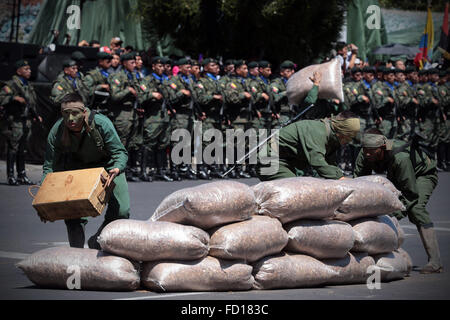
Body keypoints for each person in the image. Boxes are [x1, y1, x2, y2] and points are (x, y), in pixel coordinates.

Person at [42, 93, 130, 249]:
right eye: (66, 114)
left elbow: (120, 153)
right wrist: (43, 200)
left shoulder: (102, 123)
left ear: (84, 112)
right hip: (78, 169)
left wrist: (116, 168)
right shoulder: (57, 131)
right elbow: (49, 167)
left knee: (121, 212)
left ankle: (97, 241)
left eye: (75, 113)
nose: (70, 119)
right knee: (72, 216)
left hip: (108, 167)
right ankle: (77, 255)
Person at [354, 128, 443, 274]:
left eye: (372, 151)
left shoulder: (400, 157)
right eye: (365, 150)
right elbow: (359, 183)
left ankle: (435, 262)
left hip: (422, 174)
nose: (368, 154)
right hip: (397, 174)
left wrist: (394, 216)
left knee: (416, 209)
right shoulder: (365, 154)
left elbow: (410, 193)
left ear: (382, 148)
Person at [258, 110, 360, 181]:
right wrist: (340, 178)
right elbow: (317, 161)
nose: (348, 141)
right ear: (340, 132)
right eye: (347, 137)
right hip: (270, 159)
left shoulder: (331, 136)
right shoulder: (318, 131)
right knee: (293, 190)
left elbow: (330, 164)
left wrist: (339, 176)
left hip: (286, 162)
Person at [0, 59, 42, 185]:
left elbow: (32, 102)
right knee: (13, 148)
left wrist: (36, 115)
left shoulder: (27, 85)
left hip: (26, 120)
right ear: (19, 71)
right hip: (15, 121)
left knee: (22, 149)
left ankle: (22, 174)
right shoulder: (12, 84)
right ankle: (11, 175)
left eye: (29, 69)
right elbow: (1, 97)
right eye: (26, 69)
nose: (29, 71)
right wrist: (13, 98)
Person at [108, 52, 143, 182]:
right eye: (132, 62)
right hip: (121, 113)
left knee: (130, 143)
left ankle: (127, 170)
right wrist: (128, 90)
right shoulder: (118, 76)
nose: (134, 65)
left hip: (132, 112)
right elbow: (115, 96)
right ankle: (117, 169)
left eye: (135, 62)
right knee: (121, 143)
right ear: (124, 63)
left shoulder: (133, 76)